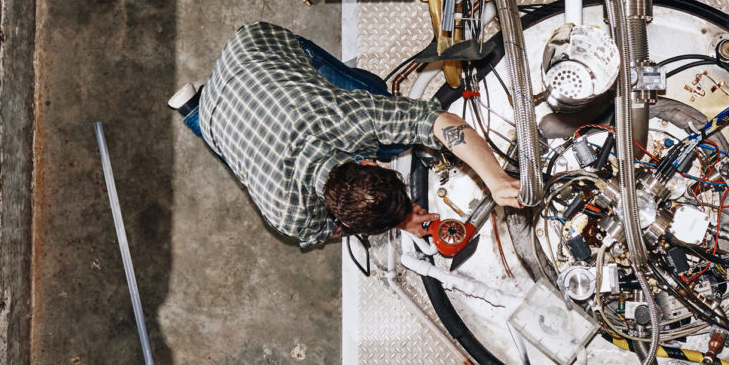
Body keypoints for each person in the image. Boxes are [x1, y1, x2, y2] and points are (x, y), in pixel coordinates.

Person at [169, 22, 521, 249]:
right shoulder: (288, 216)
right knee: (385, 114)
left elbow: (441, 122)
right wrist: (398, 219)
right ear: (368, 159)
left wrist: (496, 180)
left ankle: (199, 108)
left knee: (379, 102)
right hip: (241, 66)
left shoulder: (349, 121)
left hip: (251, 48)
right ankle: (195, 112)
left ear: (368, 163)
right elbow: (440, 123)